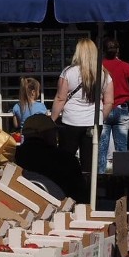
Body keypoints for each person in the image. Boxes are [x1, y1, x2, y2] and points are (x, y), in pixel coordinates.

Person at [50, 38, 114, 172]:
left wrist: (51, 120)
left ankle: (67, 187)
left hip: (70, 121)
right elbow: (109, 102)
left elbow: (60, 98)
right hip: (93, 122)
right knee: (89, 162)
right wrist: (101, 117)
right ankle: (86, 188)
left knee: (66, 159)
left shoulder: (68, 72)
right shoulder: (104, 74)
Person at [15, 114, 87, 203]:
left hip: (20, 203)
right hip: (59, 209)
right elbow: (81, 195)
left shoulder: (14, 156)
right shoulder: (66, 159)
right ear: (46, 133)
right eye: (54, 132)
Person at [99, 37, 129, 173]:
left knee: (102, 147)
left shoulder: (99, 67)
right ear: (118, 50)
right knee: (121, 148)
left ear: (103, 50)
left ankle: (100, 179)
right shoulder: (125, 66)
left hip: (104, 108)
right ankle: (122, 180)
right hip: (122, 107)